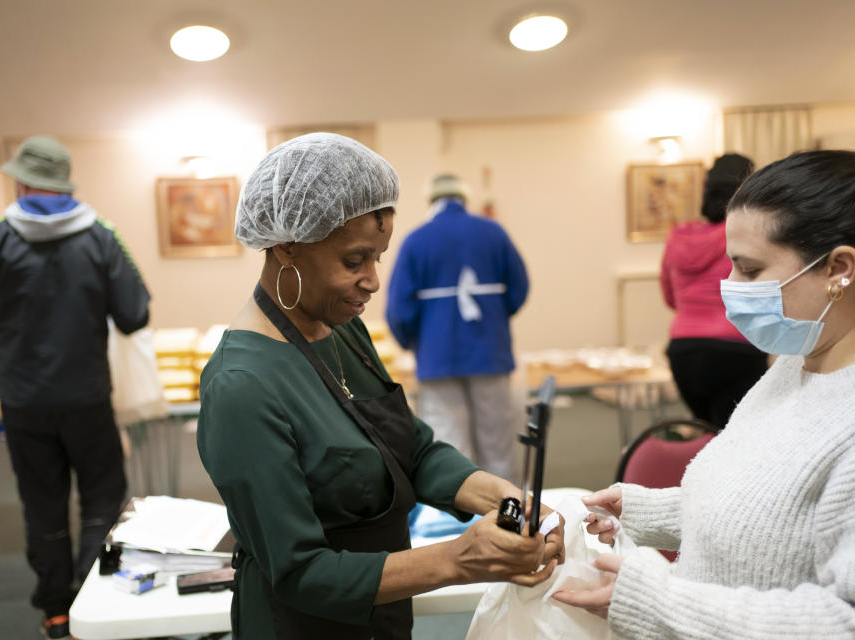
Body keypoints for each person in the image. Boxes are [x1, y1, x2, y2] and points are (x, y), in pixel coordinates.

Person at [196, 133, 563, 640]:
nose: (372, 280)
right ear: (287, 247)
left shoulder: (341, 327)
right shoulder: (243, 386)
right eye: (354, 261)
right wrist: (460, 558)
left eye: (378, 258)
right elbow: (301, 571)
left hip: (383, 613)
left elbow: (409, 448)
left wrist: (501, 498)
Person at [553, 150, 855, 638]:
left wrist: (662, 602)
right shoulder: (795, 365)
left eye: (750, 269)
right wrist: (643, 511)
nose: (729, 285)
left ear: (838, 268)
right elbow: (769, 510)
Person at [0, 137, 150, 640]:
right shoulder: (100, 235)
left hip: (23, 399)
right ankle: (94, 598)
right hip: (86, 395)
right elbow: (135, 312)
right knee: (103, 497)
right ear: (66, 181)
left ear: (19, 180)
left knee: (42, 502)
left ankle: (56, 612)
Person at [385, 174, 528, 480]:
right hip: (490, 351)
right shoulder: (493, 232)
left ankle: (459, 519)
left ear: (430, 200)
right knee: (497, 444)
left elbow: (399, 308)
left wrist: (412, 341)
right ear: (464, 197)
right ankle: (506, 514)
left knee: (449, 444)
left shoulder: (416, 240)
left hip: (438, 356)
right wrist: (495, 319)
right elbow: (519, 287)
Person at [660, 153, 767, 429]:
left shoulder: (678, 235)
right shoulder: (742, 234)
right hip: (736, 348)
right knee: (734, 434)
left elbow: (669, 296)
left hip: (683, 350)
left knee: (705, 430)